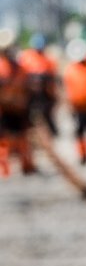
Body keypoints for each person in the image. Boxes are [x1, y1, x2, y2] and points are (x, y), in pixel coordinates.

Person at [0, 31, 36, 175]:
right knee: (3, 140)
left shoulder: (21, 68)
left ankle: (27, 165)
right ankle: (4, 169)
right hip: (3, 110)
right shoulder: (2, 68)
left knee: (22, 137)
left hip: (20, 109)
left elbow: (27, 87)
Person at [19, 33, 59, 137]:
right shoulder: (26, 57)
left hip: (44, 95)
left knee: (46, 117)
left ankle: (48, 136)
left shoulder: (48, 59)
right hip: (31, 95)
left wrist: (53, 95)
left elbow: (52, 79)